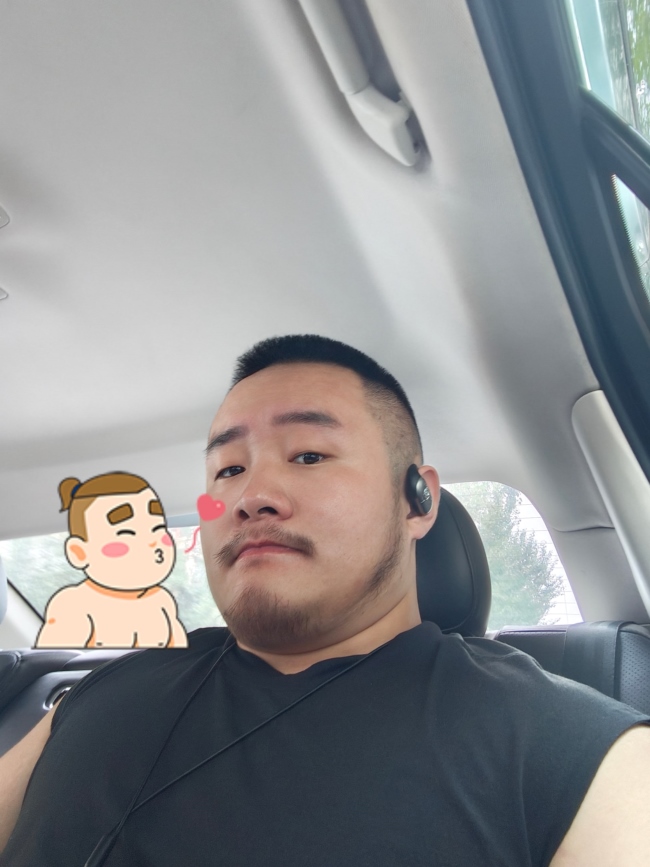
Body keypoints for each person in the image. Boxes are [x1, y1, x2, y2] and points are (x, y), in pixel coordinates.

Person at [1, 334, 649, 866]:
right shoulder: (101, 692)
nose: (252, 495)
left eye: (309, 455)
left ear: (417, 499)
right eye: (229, 469)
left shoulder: (562, 747)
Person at [34, 471, 187, 650]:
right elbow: (56, 661)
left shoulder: (162, 601)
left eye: (157, 528)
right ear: (79, 553)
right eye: (127, 533)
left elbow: (181, 657)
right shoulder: (74, 604)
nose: (151, 541)